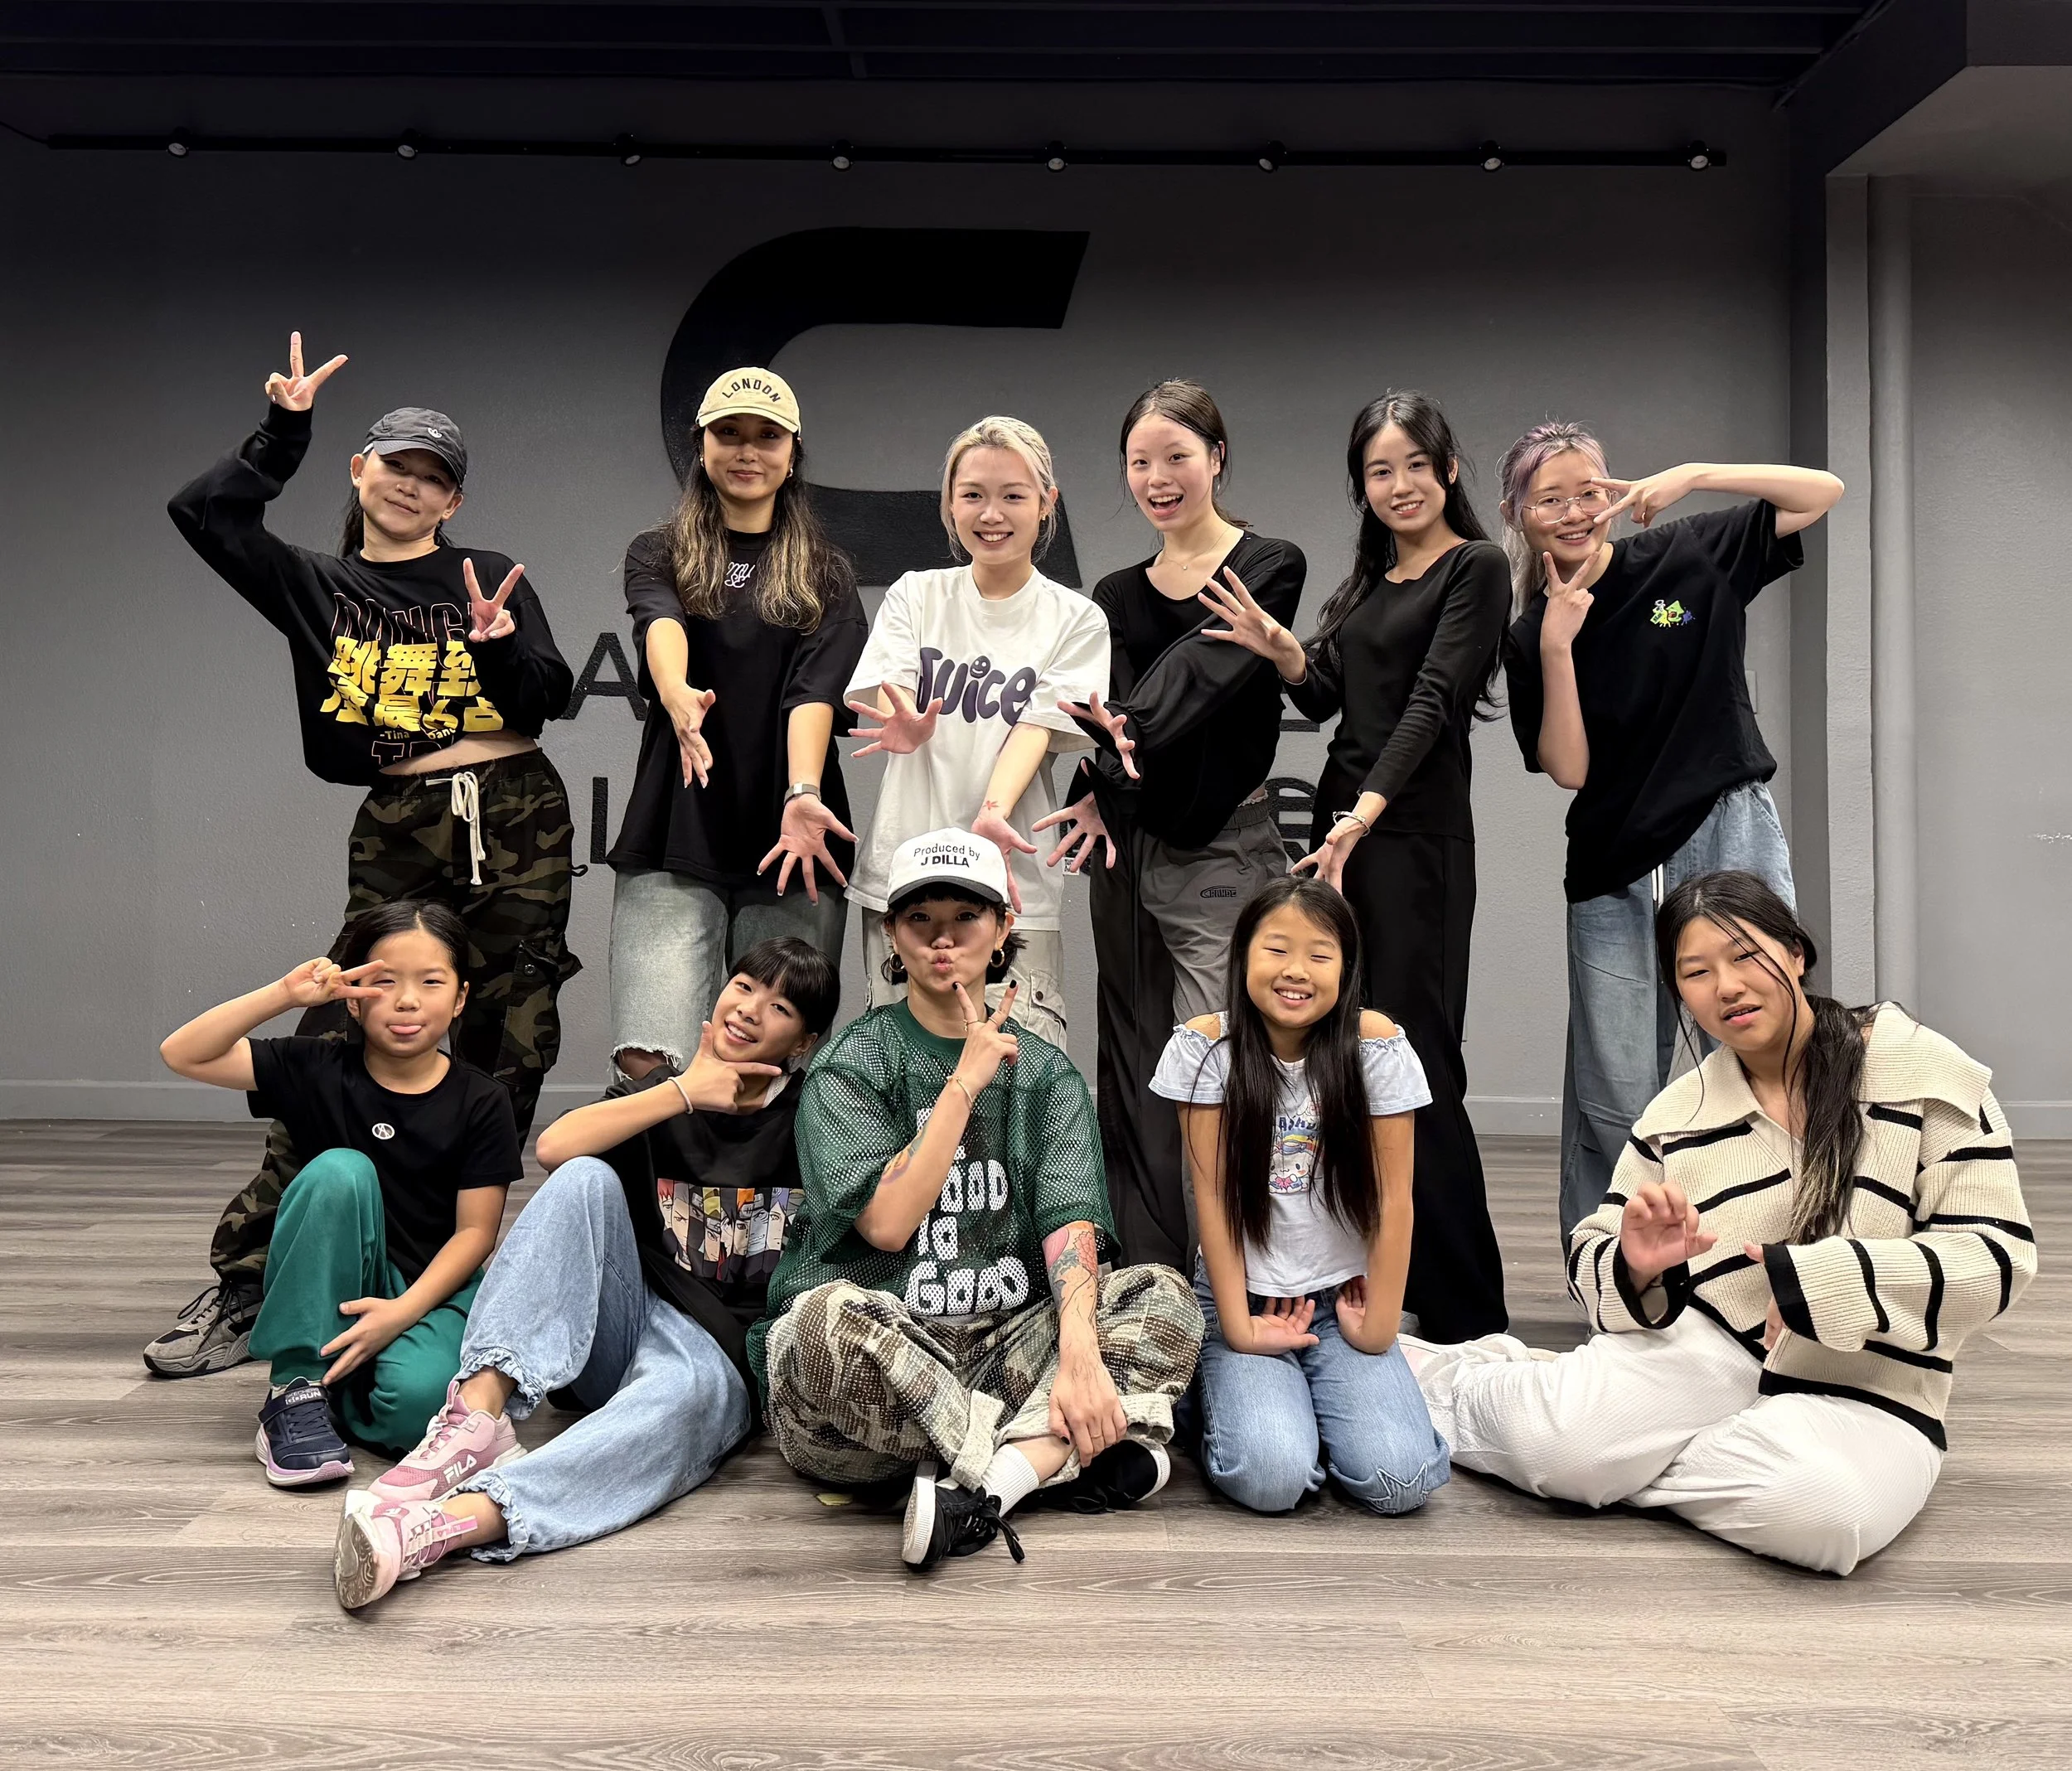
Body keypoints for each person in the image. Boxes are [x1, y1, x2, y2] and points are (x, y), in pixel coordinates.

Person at [149, 332, 577, 1380]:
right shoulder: (315, 583)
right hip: (398, 816)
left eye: (434, 477)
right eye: (396, 465)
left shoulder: (487, 574)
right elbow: (205, 514)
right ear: (362, 471)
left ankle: (454, 1269)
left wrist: (493, 642)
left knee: (510, 1029)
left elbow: (546, 696)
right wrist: (281, 432)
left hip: (515, 805)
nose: (412, 486)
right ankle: (253, 1275)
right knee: (348, 1016)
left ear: (452, 502)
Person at [1406, 871, 2035, 1575]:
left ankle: (1612, 1456)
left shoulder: (1924, 1072)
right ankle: (1442, 1376)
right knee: (1562, 1440)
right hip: (1705, 1349)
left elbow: (1996, 1256)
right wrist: (1639, 1263)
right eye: (1696, 972)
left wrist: (1815, 1281)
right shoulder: (1678, 1115)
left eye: (1744, 955)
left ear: (1796, 952)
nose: (1727, 986)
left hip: (1870, 1382)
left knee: (1827, 1518)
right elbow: (1594, 1247)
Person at [332, 937, 839, 1610]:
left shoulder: (815, 1113)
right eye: (743, 985)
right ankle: (475, 1419)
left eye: (778, 1006)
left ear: (803, 1040)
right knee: (587, 1177)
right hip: (624, 1324)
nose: (749, 1009)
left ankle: (445, 1525)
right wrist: (685, 1090)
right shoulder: (662, 1095)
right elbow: (554, 1149)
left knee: (684, 1395)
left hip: (718, 1354)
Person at [753, 830, 1203, 1570]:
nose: (942, 940)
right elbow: (889, 1226)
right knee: (816, 1329)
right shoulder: (852, 1063)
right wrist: (962, 1085)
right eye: (919, 920)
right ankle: (1048, 1457)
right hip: (879, 1373)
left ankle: (981, 1491)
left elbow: (1070, 1222)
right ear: (892, 937)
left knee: (1165, 1297)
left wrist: (1082, 1356)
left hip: (1003, 1347)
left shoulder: (1046, 1074)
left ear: (1001, 933)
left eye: (965, 919)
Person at [1196, 392, 1510, 1338]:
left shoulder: (1477, 567)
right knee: (1341, 1057)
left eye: (1415, 464)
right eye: (1379, 471)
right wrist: (1285, 649)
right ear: (1362, 489)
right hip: (1346, 829)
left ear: (1446, 469)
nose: (1399, 485)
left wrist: (1363, 816)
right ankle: (1372, 1284)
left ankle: (1466, 1310)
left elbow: (1430, 703)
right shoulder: (1374, 579)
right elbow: (1334, 694)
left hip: (1408, 838)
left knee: (1414, 1064)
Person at [1493, 421, 1842, 1238]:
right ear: (1519, 515)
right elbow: (1569, 769)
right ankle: (1612, 1257)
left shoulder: (1687, 555)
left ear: (1614, 491)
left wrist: (1697, 470)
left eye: (1589, 490)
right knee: (1615, 1085)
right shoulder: (1527, 631)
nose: (1574, 511)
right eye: (1551, 499)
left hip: (1727, 828)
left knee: (1772, 1036)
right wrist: (1555, 647)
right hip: (1615, 865)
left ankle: (1796, 1239)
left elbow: (1820, 493)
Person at [1034, 380, 1302, 1272]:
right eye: (1140, 462)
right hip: (1125, 848)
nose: (1158, 477)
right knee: (1136, 1066)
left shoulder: (1267, 566)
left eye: (1176, 456)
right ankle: (1152, 1280)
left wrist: (1114, 751)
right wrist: (1096, 782)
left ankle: (1237, 1282)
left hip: (1221, 847)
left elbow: (1201, 678)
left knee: (1219, 1072)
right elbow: (1098, 709)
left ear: (1216, 459)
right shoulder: (1113, 591)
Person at [157, 902, 520, 1488]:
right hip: (338, 1278)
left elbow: (475, 1233)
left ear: (459, 998)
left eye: (431, 983)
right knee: (340, 1170)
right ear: (352, 996)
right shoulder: (316, 1067)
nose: (407, 1000)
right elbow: (183, 1052)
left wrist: (401, 1313)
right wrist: (285, 993)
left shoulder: (482, 1099)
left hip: (431, 1287)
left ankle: (344, 1384)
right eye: (384, 981)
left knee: (415, 1413)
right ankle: (297, 1390)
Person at [1152, 877, 1450, 1517]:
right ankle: (1221, 1394)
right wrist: (1237, 1325)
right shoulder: (1207, 1048)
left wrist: (1375, 1332)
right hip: (1243, 1291)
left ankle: (1311, 1396)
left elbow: (1397, 1202)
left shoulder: (1375, 1048)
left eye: (1319, 955)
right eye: (1276, 950)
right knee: (1271, 1478)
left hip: (1343, 1296)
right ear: (1243, 957)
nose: (1296, 971)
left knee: (1401, 1481)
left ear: (1346, 966)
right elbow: (1214, 1201)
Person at [604, 367, 867, 1085]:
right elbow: (660, 623)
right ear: (701, 445)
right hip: (674, 829)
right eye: (729, 433)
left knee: (772, 1066)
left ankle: (764, 1203)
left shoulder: (827, 572)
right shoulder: (657, 550)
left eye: (766, 436)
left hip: (794, 843)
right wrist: (678, 694)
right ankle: (653, 1201)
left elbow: (813, 694)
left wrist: (803, 791)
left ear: (792, 452)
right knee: (648, 1059)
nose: (747, 451)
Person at [841, 417, 1111, 1048]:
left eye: (1014, 495)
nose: (992, 514)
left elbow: (1037, 728)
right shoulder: (915, 594)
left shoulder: (1076, 619)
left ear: (1048, 503)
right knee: (901, 1073)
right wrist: (904, 717)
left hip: (1012, 884)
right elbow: (895, 683)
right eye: (973, 495)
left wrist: (992, 811)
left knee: (1020, 1077)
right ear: (949, 505)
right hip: (904, 879)